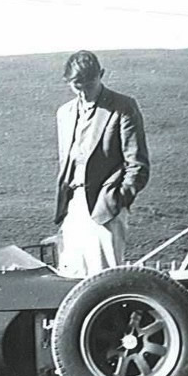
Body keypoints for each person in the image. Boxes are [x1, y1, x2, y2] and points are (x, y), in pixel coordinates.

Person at [53, 50, 150, 276]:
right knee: (72, 280)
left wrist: (117, 201)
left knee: (104, 282)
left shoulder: (123, 107)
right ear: (68, 82)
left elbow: (137, 164)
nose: (84, 92)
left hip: (105, 207)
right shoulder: (64, 113)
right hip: (73, 207)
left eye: (89, 84)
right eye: (77, 86)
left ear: (102, 75)